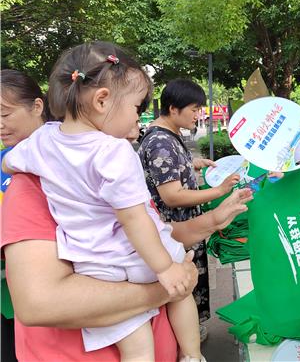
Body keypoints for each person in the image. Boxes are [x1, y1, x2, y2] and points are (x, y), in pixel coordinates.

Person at [3, 43, 202, 362]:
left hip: (93, 264)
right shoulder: (113, 153)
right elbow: (135, 220)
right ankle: (194, 355)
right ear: (102, 100)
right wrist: (168, 274)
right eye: (136, 108)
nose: (137, 119)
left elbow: (10, 162)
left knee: (134, 340)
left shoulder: (43, 142)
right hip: (132, 258)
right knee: (182, 288)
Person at [138, 78, 239, 339]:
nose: (198, 115)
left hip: (182, 229)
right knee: (181, 290)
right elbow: (171, 196)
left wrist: (192, 164)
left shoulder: (167, 137)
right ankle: (185, 342)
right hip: (176, 233)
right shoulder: (161, 142)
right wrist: (219, 191)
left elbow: (167, 172)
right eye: (194, 109)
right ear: (173, 109)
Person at [0, 69, 48, 362]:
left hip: (53, 295)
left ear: (37, 106)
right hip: (8, 296)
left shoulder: (67, 153)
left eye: (5, 115)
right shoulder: (5, 159)